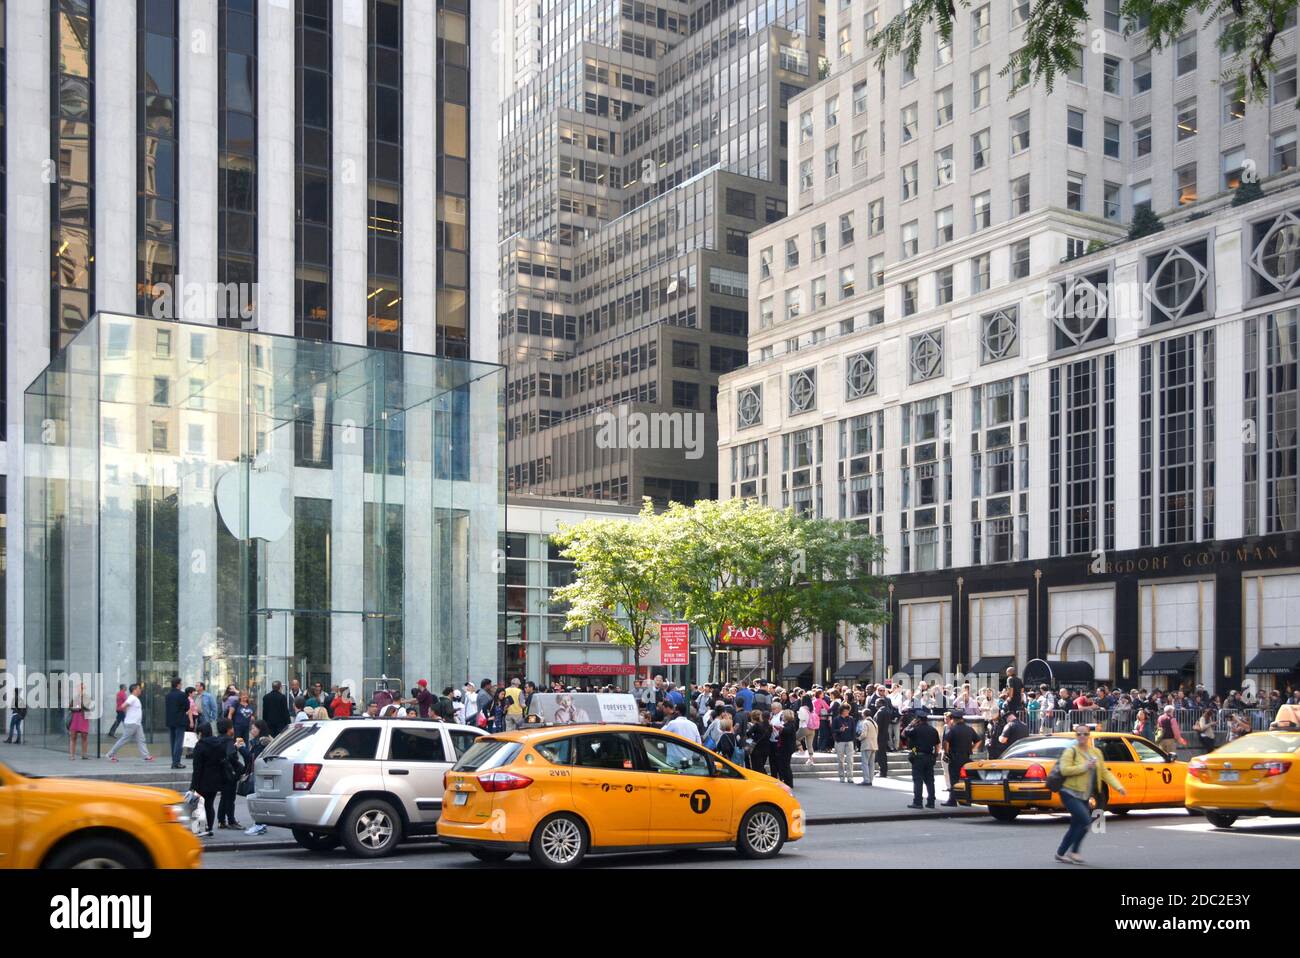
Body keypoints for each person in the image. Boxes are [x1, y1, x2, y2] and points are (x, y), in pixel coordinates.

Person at [1054, 725, 1126, 864]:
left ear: (1089, 735)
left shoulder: (1096, 752)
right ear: (1076, 736)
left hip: (1085, 795)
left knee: (1076, 825)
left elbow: (1104, 772)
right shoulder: (1071, 751)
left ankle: (1060, 853)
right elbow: (1064, 770)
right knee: (1086, 820)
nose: (1082, 736)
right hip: (1069, 792)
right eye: (1079, 734)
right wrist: (1085, 766)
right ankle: (1074, 852)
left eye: (1085, 734)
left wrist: (1118, 786)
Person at [106, 684, 154, 763]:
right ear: (134, 690)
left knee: (141, 740)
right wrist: (128, 714)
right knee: (124, 739)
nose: (140, 690)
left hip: (137, 724)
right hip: (132, 723)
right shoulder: (132, 698)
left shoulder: (135, 698)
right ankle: (110, 754)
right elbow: (123, 705)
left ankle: (146, 756)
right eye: (139, 688)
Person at [941, 711, 980, 805]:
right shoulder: (969, 729)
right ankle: (965, 800)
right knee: (965, 779)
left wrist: (946, 753)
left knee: (954, 779)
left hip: (954, 757)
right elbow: (978, 741)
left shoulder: (953, 729)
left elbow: (946, 741)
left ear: (954, 719)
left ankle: (952, 800)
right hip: (966, 757)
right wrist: (972, 749)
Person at [903, 713, 940, 809]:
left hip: (918, 757)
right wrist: (935, 755)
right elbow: (937, 745)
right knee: (930, 781)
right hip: (929, 757)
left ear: (918, 720)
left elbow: (904, 734)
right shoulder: (933, 730)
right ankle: (931, 802)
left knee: (918, 780)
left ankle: (918, 802)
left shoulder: (915, 729)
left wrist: (910, 724)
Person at [165, 677, 190, 768]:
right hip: (180, 720)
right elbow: (187, 707)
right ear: (178, 684)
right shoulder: (182, 694)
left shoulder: (168, 695)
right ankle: (176, 762)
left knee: (173, 741)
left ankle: (174, 761)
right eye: (181, 683)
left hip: (170, 720)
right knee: (179, 741)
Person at [831, 703, 857, 783]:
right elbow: (832, 730)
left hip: (849, 741)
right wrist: (839, 730)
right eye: (846, 711)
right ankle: (841, 776)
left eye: (848, 711)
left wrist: (854, 743)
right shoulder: (836, 719)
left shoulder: (851, 719)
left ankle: (850, 777)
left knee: (850, 760)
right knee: (840, 760)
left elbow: (853, 731)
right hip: (840, 741)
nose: (847, 712)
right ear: (842, 711)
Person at [67, 682, 92, 760]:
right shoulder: (75, 697)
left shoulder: (87, 697)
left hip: (84, 717)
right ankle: (71, 755)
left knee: (84, 736)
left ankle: (84, 754)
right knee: (73, 736)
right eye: (79, 688)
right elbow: (70, 707)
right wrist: (76, 707)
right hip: (75, 718)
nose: (81, 689)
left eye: (82, 688)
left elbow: (86, 706)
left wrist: (79, 705)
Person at [773, 708, 798, 787]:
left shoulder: (790, 724)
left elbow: (787, 731)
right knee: (783, 765)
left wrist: (780, 728)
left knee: (786, 765)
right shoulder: (787, 724)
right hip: (784, 747)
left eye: (783, 715)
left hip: (786, 748)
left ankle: (789, 783)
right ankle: (786, 781)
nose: (782, 716)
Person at [857, 709, 878, 785]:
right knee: (871, 764)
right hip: (874, 745)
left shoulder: (865, 722)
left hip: (866, 745)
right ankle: (870, 779)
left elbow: (864, 734)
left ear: (864, 714)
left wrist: (859, 738)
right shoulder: (874, 723)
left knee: (865, 763)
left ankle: (866, 779)